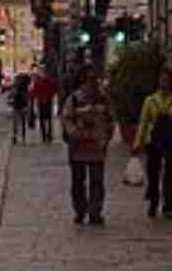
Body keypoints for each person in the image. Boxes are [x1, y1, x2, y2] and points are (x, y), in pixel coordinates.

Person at [133, 66, 172, 219]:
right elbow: (144, 123)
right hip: (153, 141)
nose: (164, 81)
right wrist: (137, 143)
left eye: (167, 79)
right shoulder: (150, 100)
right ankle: (153, 202)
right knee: (153, 174)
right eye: (161, 79)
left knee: (170, 174)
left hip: (171, 141)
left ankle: (168, 206)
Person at [61, 64, 115, 225]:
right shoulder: (74, 98)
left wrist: (106, 136)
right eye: (88, 79)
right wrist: (74, 133)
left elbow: (111, 119)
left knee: (97, 180)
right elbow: (66, 118)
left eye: (93, 79)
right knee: (78, 181)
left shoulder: (104, 99)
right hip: (78, 145)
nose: (91, 83)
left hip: (97, 146)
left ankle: (95, 212)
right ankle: (80, 210)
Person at [30, 68, 58, 143]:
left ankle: (44, 136)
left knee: (43, 119)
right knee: (48, 119)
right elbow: (54, 90)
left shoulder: (38, 81)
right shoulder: (49, 81)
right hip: (47, 101)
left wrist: (38, 97)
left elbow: (33, 92)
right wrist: (50, 96)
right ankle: (48, 135)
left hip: (42, 102)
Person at [9, 73, 31, 144]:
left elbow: (11, 96)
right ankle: (23, 138)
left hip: (16, 106)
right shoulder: (25, 88)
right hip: (23, 106)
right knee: (23, 123)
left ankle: (14, 137)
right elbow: (27, 97)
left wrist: (10, 101)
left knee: (15, 123)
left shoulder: (15, 87)